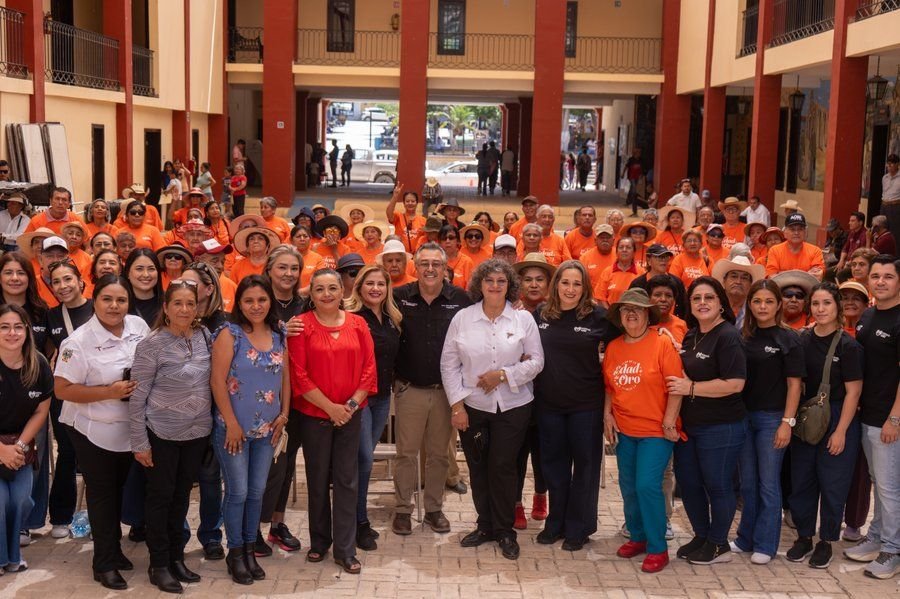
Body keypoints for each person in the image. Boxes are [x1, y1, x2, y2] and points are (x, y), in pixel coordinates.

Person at [441, 259, 544, 560]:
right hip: (473, 407)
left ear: (509, 285)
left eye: (501, 281)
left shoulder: (523, 319)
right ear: (480, 284)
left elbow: (537, 361)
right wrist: (457, 406)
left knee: (503, 466)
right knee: (478, 466)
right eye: (489, 280)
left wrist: (502, 375)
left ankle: (504, 530)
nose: (495, 286)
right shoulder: (463, 318)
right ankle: (485, 525)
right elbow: (449, 364)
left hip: (514, 406)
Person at [54, 275, 150, 590]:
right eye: (107, 299)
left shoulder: (138, 327)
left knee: (119, 491)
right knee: (103, 494)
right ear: (94, 300)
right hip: (90, 429)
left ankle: (114, 549)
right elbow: (62, 389)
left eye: (121, 300)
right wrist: (109, 391)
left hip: (127, 427)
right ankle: (104, 563)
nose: (114, 306)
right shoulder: (77, 342)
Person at [289, 269, 376, 574]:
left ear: (343, 291)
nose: (326, 294)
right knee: (316, 478)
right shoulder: (301, 326)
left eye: (332, 288)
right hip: (314, 416)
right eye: (319, 289)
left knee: (347, 480)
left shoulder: (358, 324)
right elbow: (298, 375)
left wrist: (348, 407)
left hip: (351, 414)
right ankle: (319, 541)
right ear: (311, 295)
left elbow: (369, 369)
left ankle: (345, 549)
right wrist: (330, 408)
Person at [129, 281, 212, 593]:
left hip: (197, 433)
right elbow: (137, 397)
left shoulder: (204, 336)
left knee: (181, 497)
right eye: (178, 303)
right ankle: (159, 563)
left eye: (190, 303)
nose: (184, 309)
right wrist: (139, 442)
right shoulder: (150, 344)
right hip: (161, 433)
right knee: (160, 497)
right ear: (166, 307)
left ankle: (177, 557)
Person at [210, 275, 289, 585]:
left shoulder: (279, 333)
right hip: (234, 431)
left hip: (267, 431)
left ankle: (248, 550)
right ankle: (235, 552)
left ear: (270, 301)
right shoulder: (229, 334)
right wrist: (231, 423)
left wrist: (284, 414)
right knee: (238, 491)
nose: (256, 306)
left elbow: (285, 377)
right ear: (239, 304)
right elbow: (217, 381)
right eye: (249, 300)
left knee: (256, 492)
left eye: (261, 299)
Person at [532, 261, 613, 551]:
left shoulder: (598, 316)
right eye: (565, 282)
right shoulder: (541, 313)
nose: (570, 289)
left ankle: (579, 527)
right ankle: (555, 523)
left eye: (577, 284)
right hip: (549, 404)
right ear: (556, 285)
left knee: (585, 468)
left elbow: (627, 341)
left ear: (585, 287)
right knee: (554, 467)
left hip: (585, 405)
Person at [391, 243, 471, 536]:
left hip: (446, 392)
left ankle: (434, 510)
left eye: (436, 264)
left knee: (439, 455)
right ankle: (402, 510)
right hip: (409, 389)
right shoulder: (398, 297)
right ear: (415, 266)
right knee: (406, 454)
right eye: (424, 263)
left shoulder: (461, 299)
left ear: (445, 267)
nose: (430, 269)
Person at [667, 276, 747, 565]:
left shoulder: (728, 336)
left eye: (709, 297)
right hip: (691, 426)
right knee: (689, 483)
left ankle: (718, 543)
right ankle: (701, 536)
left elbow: (735, 383)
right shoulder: (692, 335)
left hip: (721, 425)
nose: (702, 303)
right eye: (696, 298)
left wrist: (690, 388)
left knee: (718, 485)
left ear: (720, 303)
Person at [603, 288, 683, 573]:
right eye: (626, 309)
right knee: (628, 486)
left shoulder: (662, 343)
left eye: (638, 309)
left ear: (648, 315)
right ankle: (637, 536)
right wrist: (607, 415)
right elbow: (610, 387)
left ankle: (658, 547)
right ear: (619, 316)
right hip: (625, 429)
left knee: (647, 485)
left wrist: (669, 422)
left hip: (656, 430)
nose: (632, 313)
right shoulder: (614, 347)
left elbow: (676, 386)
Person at [785, 283, 863, 569]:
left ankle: (826, 541)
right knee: (802, 481)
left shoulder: (848, 346)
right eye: (816, 303)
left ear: (837, 307)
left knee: (833, 484)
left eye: (827, 303)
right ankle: (804, 537)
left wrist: (841, 431)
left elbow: (854, 392)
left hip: (838, 416)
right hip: (807, 417)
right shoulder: (802, 340)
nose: (820, 309)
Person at [731, 280, 804, 565]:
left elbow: (795, 385)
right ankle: (745, 538)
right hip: (743, 418)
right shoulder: (741, 336)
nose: (763, 307)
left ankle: (766, 543)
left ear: (778, 305)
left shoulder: (788, 339)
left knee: (768, 484)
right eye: (757, 301)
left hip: (772, 419)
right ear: (750, 304)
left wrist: (787, 422)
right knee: (748, 484)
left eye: (769, 301)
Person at [844, 256, 900, 579]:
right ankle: (877, 536)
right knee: (879, 483)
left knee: (890, 488)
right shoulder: (867, 316)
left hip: (888, 420)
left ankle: (892, 549)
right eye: (876, 275)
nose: (880, 281)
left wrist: (895, 419)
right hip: (868, 414)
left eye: (888, 276)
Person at [344, 265, 401, 551]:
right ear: (359, 287)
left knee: (362, 460)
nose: (375, 288)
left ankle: (354, 518)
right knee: (364, 459)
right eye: (370, 283)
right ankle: (358, 521)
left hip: (382, 398)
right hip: (359, 399)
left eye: (381, 284)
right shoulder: (351, 317)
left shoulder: (392, 318)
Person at [254, 247, 305, 556]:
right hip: (262, 397)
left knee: (284, 466)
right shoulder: (258, 301)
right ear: (269, 270)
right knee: (263, 468)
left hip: (297, 396)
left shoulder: (305, 304)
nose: (288, 273)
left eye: (294, 268)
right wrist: (283, 331)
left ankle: (277, 524)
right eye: (282, 267)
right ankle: (252, 529)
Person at [0, 304, 53, 574]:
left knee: (21, 499)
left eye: (18, 327)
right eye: (4, 327)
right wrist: (1, 450)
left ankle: (12, 555)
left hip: (21, 445)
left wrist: (18, 446)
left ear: (27, 331)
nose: (12, 333)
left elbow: (41, 410)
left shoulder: (38, 364)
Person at [45, 260, 92, 539]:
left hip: (97, 392)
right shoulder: (51, 316)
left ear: (80, 281)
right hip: (64, 394)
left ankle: (100, 516)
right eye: (56, 282)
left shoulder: (97, 307)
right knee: (67, 451)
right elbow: (48, 350)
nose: (63, 286)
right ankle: (61, 516)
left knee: (97, 454)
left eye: (68, 279)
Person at [629, 244, 687, 319]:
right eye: (659, 257)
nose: (663, 260)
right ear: (649, 260)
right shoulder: (638, 284)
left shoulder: (677, 282)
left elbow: (684, 308)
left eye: (666, 257)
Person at [765, 213, 825, 279]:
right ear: (785, 233)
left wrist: (782, 274)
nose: (796, 233)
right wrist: (805, 274)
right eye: (792, 229)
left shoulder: (815, 251)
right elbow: (772, 277)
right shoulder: (774, 251)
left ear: (805, 232)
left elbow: (817, 276)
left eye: (800, 229)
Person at [711, 256, 764, 329]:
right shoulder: (713, 306)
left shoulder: (756, 310)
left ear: (751, 284)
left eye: (744, 278)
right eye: (734, 276)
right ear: (724, 281)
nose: (738, 282)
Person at [595, 237, 644, 307]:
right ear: (616, 252)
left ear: (634, 252)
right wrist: (610, 312)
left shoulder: (641, 272)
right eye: (621, 247)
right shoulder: (607, 272)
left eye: (628, 247)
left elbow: (644, 298)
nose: (624, 250)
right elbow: (600, 297)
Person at [124, 248, 164, 326]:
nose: (146, 274)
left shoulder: (169, 302)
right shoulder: (119, 303)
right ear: (128, 273)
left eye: (151, 269)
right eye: (139, 269)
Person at [647, 274, 688, 345]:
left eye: (668, 295)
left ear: (674, 300)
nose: (663, 299)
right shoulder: (641, 325)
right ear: (648, 298)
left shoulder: (681, 325)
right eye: (657, 295)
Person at [386, 184, 426, 253]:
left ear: (417, 203)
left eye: (413, 201)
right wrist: (395, 196)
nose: (410, 203)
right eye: (407, 201)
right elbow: (389, 213)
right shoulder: (398, 216)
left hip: (417, 254)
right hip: (400, 253)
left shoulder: (423, 220)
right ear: (404, 203)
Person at [579, 224, 617, 290]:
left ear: (613, 240)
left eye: (608, 237)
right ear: (595, 240)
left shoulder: (620, 256)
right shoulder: (584, 258)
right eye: (602, 237)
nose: (605, 240)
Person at [440, 224, 474, 290]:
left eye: (451, 238)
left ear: (458, 241)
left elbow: (469, 290)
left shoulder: (467, 262)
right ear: (439, 242)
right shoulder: (436, 260)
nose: (447, 241)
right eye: (444, 238)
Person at [880, 153, 900, 237]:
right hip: (884, 206)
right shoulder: (885, 177)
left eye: (891, 164)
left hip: (895, 206)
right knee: (882, 229)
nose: (889, 166)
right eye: (888, 164)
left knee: (894, 231)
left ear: (897, 164)